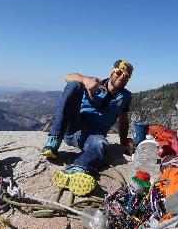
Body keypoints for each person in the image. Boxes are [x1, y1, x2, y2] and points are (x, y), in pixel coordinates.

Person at [41, 60, 134, 195]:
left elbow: (123, 119)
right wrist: (84, 79)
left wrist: (124, 141)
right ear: (112, 72)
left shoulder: (126, 96)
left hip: (92, 136)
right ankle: (53, 141)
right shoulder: (94, 82)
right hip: (74, 125)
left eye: (127, 76)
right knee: (74, 85)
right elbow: (68, 77)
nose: (122, 77)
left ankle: (76, 170)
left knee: (101, 144)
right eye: (119, 72)